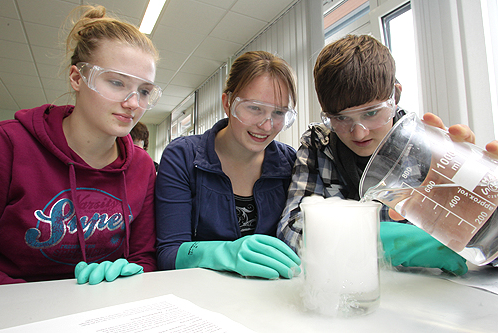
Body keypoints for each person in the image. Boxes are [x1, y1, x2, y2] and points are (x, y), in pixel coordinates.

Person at [278, 34, 494, 276]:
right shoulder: (319, 144)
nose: (359, 132)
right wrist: (376, 241)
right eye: (341, 118)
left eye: (371, 113)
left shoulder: (431, 146)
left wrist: (481, 219)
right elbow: (293, 233)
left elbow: (487, 252)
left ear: (395, 97)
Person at [0, 5, 161, 285]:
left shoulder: (141, 166)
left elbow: (143, 257)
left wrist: (128, 278)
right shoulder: (9, 144)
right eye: (116, 82)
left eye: (144, 91)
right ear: (77, 78)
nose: (133, 103)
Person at [155, 51, 301, 279]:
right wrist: (222, 253)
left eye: (279, 112)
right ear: (227, 103)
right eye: (254, 108)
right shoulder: (182, 156)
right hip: (201, 297)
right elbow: (168, 254)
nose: (266, 125)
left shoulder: (290, 163)